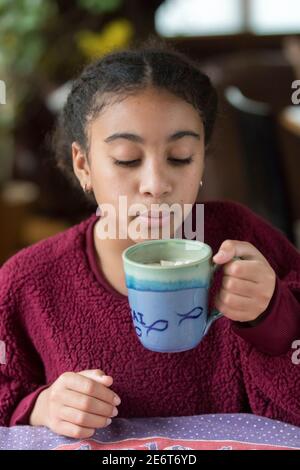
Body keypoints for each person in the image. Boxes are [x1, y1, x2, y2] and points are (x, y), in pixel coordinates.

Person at [1, 41, 300, 440]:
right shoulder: (29, 282)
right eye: (127, 159)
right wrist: (40, 406)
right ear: (83, 165)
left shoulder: (245, 242)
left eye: (180, 157)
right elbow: (8, 396)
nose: (156, 185)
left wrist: (273, 317)